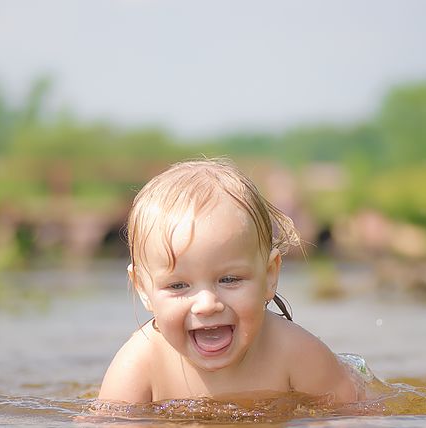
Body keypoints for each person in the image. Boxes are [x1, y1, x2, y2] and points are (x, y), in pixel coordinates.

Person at [97, 158, 362, 404]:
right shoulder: (140, 365)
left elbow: (350, 422)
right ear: (143, 288)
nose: (207, 305)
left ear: (269, 275)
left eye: (229, 279)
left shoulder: (296, 353)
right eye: (178, 285)